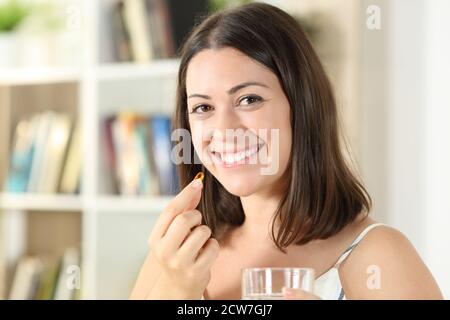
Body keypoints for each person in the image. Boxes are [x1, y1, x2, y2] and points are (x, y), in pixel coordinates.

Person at [130, 2, 442, 300]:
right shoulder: (177, 256)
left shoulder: (378, 257)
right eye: (203, 107)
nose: (223, 130)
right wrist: (174, 290)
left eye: (249, 99)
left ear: (301, 106)